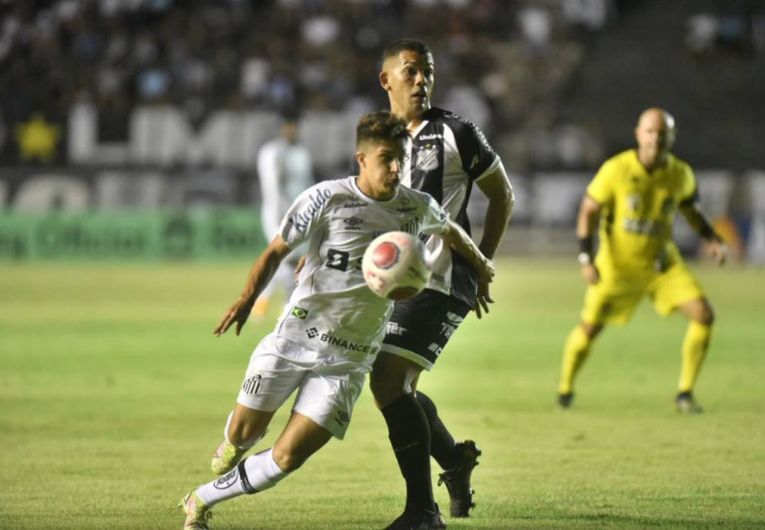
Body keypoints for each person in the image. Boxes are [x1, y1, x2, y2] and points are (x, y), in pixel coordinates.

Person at [178, 110, 494, 530]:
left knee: (288, 456)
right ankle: (235, 444)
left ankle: (199, 501)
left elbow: (450, 229)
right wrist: (245, 297)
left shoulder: (416, 207)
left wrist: (482, 267)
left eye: (402, 157)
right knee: (241, 433)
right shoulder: (326, 198)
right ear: (361, 159)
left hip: (349, 362)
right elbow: (276, 249)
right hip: (292, 342)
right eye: (386, 158)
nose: (397, 167)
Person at [371, 39, 514, 529]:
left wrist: (482, 264)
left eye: (427, 72)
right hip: (392, 286)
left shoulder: (457, 132)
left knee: (388, 379)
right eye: (410, 71)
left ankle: (421, 512)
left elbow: (502, 196)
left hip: (442, 281)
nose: (421, 80)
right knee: (399, 387)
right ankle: (453, 460)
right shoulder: (379, 141)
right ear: (387, 80)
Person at [557, 107, 727, 414]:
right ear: (638, 134)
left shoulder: (680, 174)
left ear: (672, 137)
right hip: (616, 268)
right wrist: (586, 257)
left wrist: (712, 238)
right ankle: (565, 389)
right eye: (650, 132)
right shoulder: (616, 169)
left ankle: (685, 393)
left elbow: (691, 210)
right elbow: (588, 211)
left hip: (662, 265)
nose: (655, 139)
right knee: (589, 328)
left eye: (662, 133)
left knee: (704, 314)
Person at [252, 113, 314, 318]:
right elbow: (273, 187)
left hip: (302, 213)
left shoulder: (301, 152)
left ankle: (264, 300)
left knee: (290, 260)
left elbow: (307, 183)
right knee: (285, 260)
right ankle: (285, 304)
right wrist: (284, 215)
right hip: (277, 213)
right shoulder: (272, 152)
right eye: (289, 127)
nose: (293, 131)